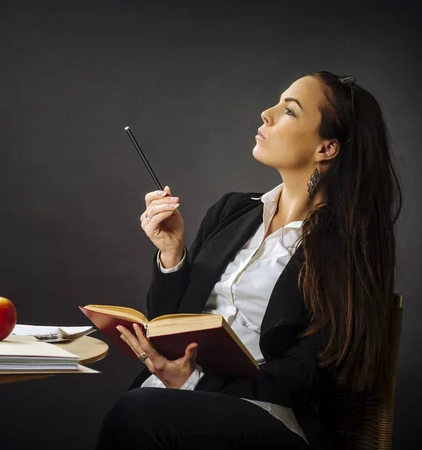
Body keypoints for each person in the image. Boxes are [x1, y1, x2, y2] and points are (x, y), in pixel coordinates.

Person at [94, 70, 402, 450]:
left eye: (289, 111)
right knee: (139, 408)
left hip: (266, 418)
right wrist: (172, 252)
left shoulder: (347, 249)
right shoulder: (231, 211)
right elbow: (166, 324)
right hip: (166, 399)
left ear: (327, 148)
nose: (266, 114)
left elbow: (308, 374)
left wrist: (195, 382)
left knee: (138, 411)